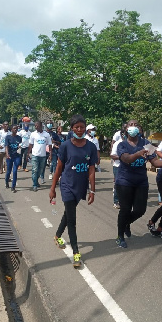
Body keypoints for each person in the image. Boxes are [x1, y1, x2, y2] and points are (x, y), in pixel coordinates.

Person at [49, 114, 97, 267]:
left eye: (82, 127)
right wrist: (53, 188)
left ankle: (57, 236)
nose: (79, 129)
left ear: (85, 128)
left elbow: (91, 169)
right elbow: (59, 168)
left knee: (67, 214)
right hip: (67, 186)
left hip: (80, 186)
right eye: (76, 127)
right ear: (72, 129)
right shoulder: (65, 146)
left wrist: (92, 190)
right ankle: (76, 252)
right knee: (72, 220)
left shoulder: (91, 147)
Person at [115, 119, 162, 248]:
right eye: (130, 125)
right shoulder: (121, 145)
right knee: (125, 209)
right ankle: (120, 236)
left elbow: (155, 162)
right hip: (124, 181)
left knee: (140, 210)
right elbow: (127, 159)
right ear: (126, 129)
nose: (133, 127)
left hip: (141, 182)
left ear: (140, 129)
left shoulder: (146, 144)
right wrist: (138, 154)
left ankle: (126, 223)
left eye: (136, 125)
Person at [27, 121, 52, 191]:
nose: (36, 127)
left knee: (40, 171)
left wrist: (50, 155)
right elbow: (30, 145)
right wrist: (28, 154)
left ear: (41, 126)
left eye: (37, 125)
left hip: (43, 156)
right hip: (35, 155)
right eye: (35, 126)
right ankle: (34, 184)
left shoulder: (46, 135)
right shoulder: (33, 134)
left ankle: (36, 180)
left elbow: (50, 145)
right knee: (35, 170)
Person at [110, 128, 126, 209]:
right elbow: (112, 155)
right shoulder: (117, 143)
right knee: (118, 184)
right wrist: (122, 158)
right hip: (118, 167)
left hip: (128, 167)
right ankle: (116, 201)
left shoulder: (131, 143)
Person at [5, 125, 22, 193]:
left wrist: (19, 148)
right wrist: (7, 154)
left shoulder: (19, 138)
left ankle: (13, 186)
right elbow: (6, 146)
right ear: (11, 129)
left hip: (16, 156)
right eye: (14, 128)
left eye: (16, 129)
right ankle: (6, 181)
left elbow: (20, 146)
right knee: (8, 171)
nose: (15, 130)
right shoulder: (8, 137)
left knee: (15, 171)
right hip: (10, 156)